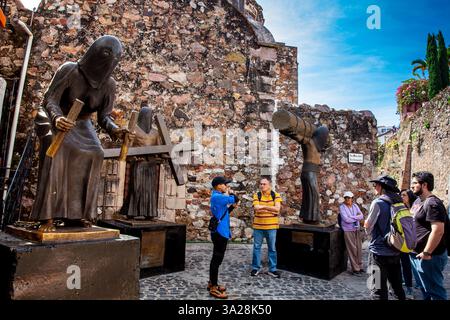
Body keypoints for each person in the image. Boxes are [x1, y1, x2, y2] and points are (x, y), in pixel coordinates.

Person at [32, 35, 131, 231]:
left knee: (96, 153)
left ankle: (79, 215)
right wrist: (58, 118)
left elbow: (104, 117)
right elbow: (50, 99)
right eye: (106, 54)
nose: (110, 60)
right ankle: (47, 217)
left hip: (82, 123)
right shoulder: (70, 70)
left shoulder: (108, 85)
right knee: (58, 147)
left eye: (115, 57)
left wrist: (116, 130)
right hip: (56, 116)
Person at [364, 175, 406, 300]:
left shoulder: (378, 203)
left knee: (376, 288)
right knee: (397, 287)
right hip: (395, 251)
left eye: (375, 185)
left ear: (381, 187)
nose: (374, 187)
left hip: (378, 254)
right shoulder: (400, 203)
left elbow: (368, 228)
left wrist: (367, 224)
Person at [410, 171, 448, 300]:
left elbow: (438, 230)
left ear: (424, 185)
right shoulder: (420, 201)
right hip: (419, 255)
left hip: (430, 257)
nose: (412, 186)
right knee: (426, 290)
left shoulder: (432, 203)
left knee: (435, 292)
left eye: (415, 183)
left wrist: (427, 252)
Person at [208, 176, 238, 299]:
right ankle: (213, 287)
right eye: (225, 184)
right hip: (220, 233)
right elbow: (235, 198)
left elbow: (223, 213)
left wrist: (231, 207)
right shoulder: (218, 197)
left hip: (220, 231)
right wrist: (231, 194)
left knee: (217, 258)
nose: (226, 186)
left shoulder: (217, 197)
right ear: (219, 186)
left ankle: (212, 283)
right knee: (217, 259)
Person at [251, 177, 282, 278]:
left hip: (271, 227)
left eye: (264, 184)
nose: (262, 186)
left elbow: (277, 209)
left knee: (272, 248)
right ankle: (256, 268)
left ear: (269, 185)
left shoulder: (275, 195)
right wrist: (270, 208)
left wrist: (263, 207)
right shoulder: (257, 195)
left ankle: (272, 269)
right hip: (258, 227)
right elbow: (256, 207)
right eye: (261, 184)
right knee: (256, 248)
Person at [339, 191, 364, 276]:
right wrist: (356, 218)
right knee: (352, 249)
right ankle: (355, 269)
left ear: (352, 198)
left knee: (359, 249)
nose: (347, 199)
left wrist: (352, 217)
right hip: (348, 230)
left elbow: (361, 216)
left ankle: (360, 266)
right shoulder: (342, 207)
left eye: (349, 198)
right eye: (346, 198)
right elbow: (346, 220)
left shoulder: (355, 206)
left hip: (356, 229)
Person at [399, 189, 418, 299]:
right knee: (405, 264)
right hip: (403, 241)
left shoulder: (415, 208)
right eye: (401, 195)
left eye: (404, 195)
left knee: (414, 266)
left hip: (414, 241)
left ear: (409, 196)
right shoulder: (401, 208)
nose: (402, 197)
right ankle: (408, 287)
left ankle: (413, 285)